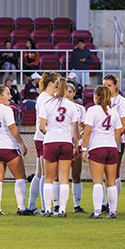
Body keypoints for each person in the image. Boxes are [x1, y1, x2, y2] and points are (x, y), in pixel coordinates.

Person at [0, 83, 32, 216]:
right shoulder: (6, 109)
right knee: (20, 177)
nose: (10, 96)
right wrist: (22, 144)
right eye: (8, 94)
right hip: (8, 147)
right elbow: (12, 128)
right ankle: (21, 208)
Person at [39, 77, 79, 218]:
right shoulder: (71, 105)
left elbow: (41, 126)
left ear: (55, 88)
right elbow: (75, 129)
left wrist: (49, 133)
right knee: (64, 178)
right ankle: (62, 209)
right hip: (66, 142)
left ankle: (48, 210)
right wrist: (75, 145)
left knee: (49, 178)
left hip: (51, 141)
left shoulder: (47, 103)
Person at [82, 85, 122, 219]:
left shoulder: (92, 110)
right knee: (111, 182)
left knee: (97, 182)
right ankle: (113, 211)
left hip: (97, 147)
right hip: (111, 147)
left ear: (97, 97)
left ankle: (98, 211)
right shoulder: (114, 111)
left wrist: (84, 149)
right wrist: (115, 149)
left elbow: (87, 132)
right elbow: (118, 134)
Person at [27, 72, 59, 215]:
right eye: (57, 82)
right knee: (45, 173)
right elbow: (44, 121)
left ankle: (32, 205)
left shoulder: (46, 97)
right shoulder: (45, 98)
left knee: (40, 173)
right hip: (43, 137)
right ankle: (45, 205)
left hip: (41, 137)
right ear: (51, 84)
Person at [103, 74, 125, 203]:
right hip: (100, 142)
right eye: (104, 86)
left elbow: (124, 125)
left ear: (115, 86)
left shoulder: (121, 101)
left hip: (116, 141)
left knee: (114, 172)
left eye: (109, 86)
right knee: (100, 173)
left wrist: (114, 137)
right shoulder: (101, 100)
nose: (107, 89)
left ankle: (113, 202)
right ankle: (103, 203)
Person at [65, 82, 87, 213]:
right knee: (58, 175)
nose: (67, 94)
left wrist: (80, 135)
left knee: (76, 174)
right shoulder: (58, 106)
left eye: (70, 91)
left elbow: (84, 125)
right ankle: (57, 204)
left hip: (76, 143)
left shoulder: (80, 108)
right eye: (65, 91)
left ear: (74, 93)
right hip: (63, 142)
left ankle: (76, 205)